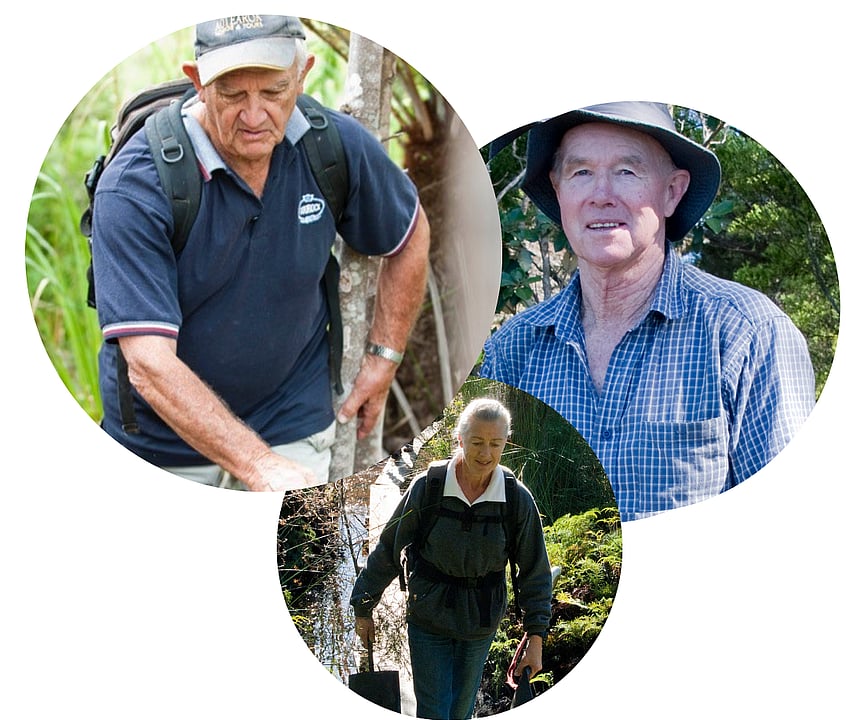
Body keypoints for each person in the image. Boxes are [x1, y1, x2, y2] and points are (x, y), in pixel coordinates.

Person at [91, 15, 430, 492]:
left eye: (273, 91)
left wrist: (384, 356)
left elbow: (410, 232)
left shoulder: (330, 146)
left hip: (291, 418)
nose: (254, 116)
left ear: (303, 74)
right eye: (232, 94)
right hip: (163, 443)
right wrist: (257, 464)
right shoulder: (137, 185)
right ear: (198, 82)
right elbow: (149, 364)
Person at [480, 101, 816, 522]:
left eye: (627, 171)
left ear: (672, 191)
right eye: (581, 172)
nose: (601, 195)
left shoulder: (748, 335)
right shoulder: (513, 351)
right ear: (558, 188)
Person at [350, 398, 552, 720]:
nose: (486, 453)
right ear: (460, 439)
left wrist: (536, 635)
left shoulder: (516, 499)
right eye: (477, 442)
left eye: (495, 444)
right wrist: (363, 606)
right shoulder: (428, 488)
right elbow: (389, 548)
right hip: (428, 617)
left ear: (506, 443)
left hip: (480, 622)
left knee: (461, 710)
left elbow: (534, 572)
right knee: (433, 710)